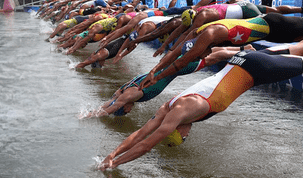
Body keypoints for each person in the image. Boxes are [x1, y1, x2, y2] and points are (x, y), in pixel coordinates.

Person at [99, 42, 303, 170]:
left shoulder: (182, 111)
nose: (188, 135)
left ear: (180, 131)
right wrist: (112, 153)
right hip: (242, 59)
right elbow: (139, 133)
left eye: (184, 137)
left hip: (256, 69)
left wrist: (114, 164)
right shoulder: (168, 106)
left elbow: (146, 144)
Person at [140, 12, 303, 90]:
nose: (201, 56)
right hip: (267, 25)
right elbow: (174, 53)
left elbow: (181, 62)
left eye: (200, 53)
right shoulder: (194, 33)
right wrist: (153, 71)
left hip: (273, 27)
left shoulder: (207, 36)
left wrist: (158, 78)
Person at [88, 45, 253, 117]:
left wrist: (94, 117)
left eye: (125, 111)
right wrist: (91, 112)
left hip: (175, 69)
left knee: (211, 57)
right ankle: (243, 49)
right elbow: (111, 101)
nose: (128, 111)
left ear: (124, 106)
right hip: (169, 67)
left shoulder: (130, 95)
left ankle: (245, 51)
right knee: (205, 52)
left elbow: (113, 106)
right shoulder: (122, 91)